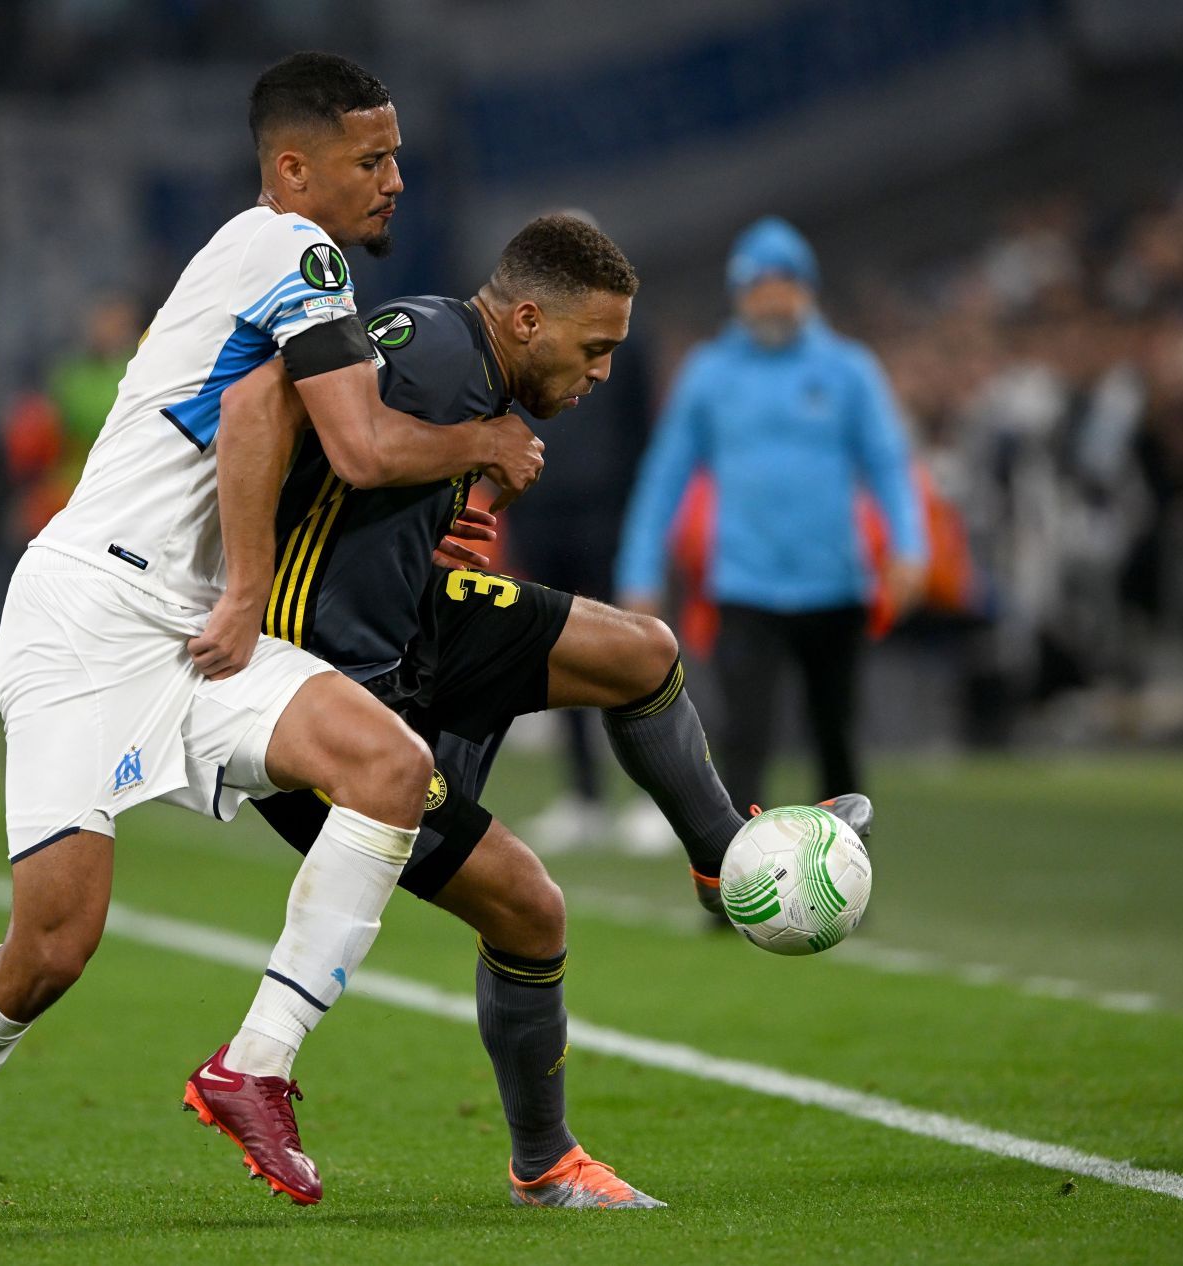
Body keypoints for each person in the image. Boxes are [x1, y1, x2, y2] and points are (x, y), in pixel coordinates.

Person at [0, 52, 544, 1222]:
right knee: (53, 949)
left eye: (395, 156)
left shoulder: (278, 265)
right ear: (294, 168)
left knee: (390, 768)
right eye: (369, 159)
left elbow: (281, 431)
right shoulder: (294, 250)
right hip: (86, 615)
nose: (392, 180)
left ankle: (255, 1066)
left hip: (185, 627)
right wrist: (484, 442)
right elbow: (354, 442)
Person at [220, 213, 879, 1208]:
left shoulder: (470, 366)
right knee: (531, 910)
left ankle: (722, 858)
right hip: (328, 702)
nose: (604, 373)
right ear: (527, 319)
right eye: (595, 347)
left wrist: (447, 501)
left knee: (641, 653)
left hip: (418, 629)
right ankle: (546, 1166)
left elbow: (377, 476)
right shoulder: (435, 349)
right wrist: (464, 450)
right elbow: (286, 414)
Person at [615, 217, 927, 814]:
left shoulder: (848, 370)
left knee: (836, 744)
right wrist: (639, 571)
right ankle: (733, 877)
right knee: (742, 741)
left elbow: (889, 463)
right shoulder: (709, 375)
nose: (772, 297)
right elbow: (663, 479)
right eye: (758, 285)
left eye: (783, 283)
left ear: (806, 289)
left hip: (835, 584)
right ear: (739, 294)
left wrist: (909, 548)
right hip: (747, 585)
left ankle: (845, 878)